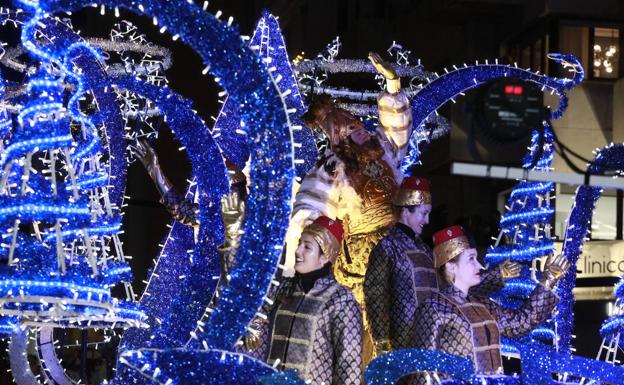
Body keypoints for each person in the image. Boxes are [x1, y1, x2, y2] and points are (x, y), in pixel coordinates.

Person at [285, 52, 413, 361]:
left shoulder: (382, 149)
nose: (361, 130)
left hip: (401, 246)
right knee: (369, 327)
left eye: (360, 125)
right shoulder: (333, 167)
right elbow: (306, 211)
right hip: (363, 257)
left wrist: (393, 83)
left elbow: (397, 126)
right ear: (340, 140)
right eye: (352, 130)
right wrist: (298, 262)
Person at [364, 177, 521, 360]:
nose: (428, 220)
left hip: (432, 337)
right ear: (406, 211)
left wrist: (496, 276)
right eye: (423, 213)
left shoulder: (425, 250)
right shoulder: (387, 247)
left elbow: (452, 287)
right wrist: (382, 343)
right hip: (402, 342)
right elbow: (375, 296)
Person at [411, 225, 569, 385]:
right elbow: (424, 370)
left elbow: (519, 323)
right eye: (471, 259)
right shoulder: (433, 307)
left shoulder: (481, 303)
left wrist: (548, 279)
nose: (480, 266)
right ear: (451, 266)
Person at [248, 216, 363, 385]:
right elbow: (254, 317)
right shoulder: (282, 289)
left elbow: (349, 363)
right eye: (299, 243)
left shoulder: (341, 300)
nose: (298, 251)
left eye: (307, 247)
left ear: (325, 257)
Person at [132, 140, 245, 286]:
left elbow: (183, 211)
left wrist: (156, 172)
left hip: (233, 284)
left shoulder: (235, 206)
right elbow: (184, 211)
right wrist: (154, 170)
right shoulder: (222, 204)